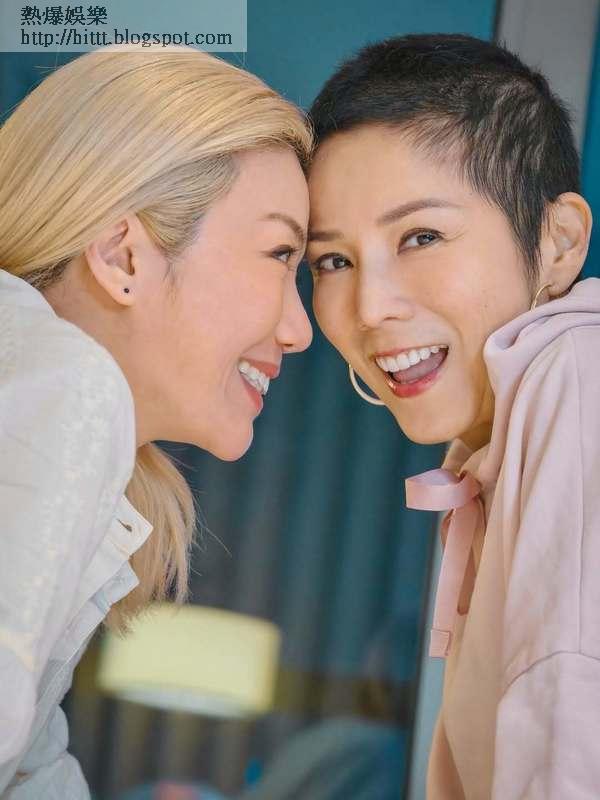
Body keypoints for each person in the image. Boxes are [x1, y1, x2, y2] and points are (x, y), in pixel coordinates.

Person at [0, 44, 312, 798]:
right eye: (279, 253)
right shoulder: (68, 387)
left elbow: (32, 770)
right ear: (122, 258)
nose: (300, 329)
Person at [307, 33, 599, 799]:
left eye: (421, 237)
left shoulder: (579, 374)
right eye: (333, 260)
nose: (370, 306)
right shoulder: (497, 441)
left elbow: (569, 714)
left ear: (559, 242)